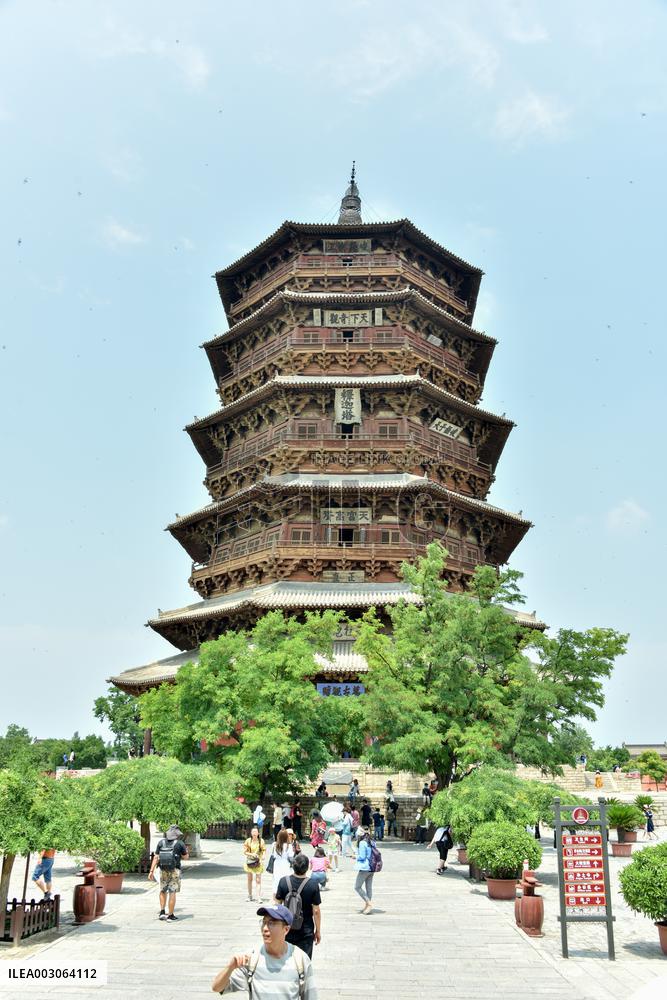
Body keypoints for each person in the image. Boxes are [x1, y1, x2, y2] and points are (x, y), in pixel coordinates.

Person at [211, 903, 318, 999]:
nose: (265, 928)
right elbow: (217, 987)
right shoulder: (251, 958)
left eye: (272, 923)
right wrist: (230, 967)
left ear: (286, 929)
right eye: (263, 922)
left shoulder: (300, 959)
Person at [274, 853, 322, 960]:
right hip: (306, 931)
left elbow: (277, 906)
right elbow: (316, 911)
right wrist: (318, 931)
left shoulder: (283, 882)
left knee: (285, 961)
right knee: (303, 962)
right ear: (307, 867)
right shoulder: (313, 885)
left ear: (293, 866)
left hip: (286, 930)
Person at [148, 824, 189, 920]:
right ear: (176, 834)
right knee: (172, 892)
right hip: (175, 870)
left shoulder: (161, 842)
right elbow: (186, 857)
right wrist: (186, 851)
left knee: (162, 890)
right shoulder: (180, 843)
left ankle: (162, 912)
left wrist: (151, 871)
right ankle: (170, 915)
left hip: (163, 870)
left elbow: (156, 857)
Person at [243, 825, 267, 903]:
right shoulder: (248, 841)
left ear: (258, 833)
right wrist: (252, 854)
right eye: (253, 832)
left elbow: (264, 850)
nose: (254, 833)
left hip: (258, 862)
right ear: (251, 833)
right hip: (250, 862)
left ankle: (259, 897)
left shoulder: (261, 841)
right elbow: (245, 852)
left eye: (256, 832)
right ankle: (250, 896)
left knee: (258, 880)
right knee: (249, 879)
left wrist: (263, 856)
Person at [354, 829, 375, 915]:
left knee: (357, 887)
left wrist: (355, 856)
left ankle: (369, 903)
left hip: (365, 867)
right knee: (368, 887)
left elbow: (362, 856)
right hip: (372, 866)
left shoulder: (362, 843)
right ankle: (367, 906)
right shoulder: (372, 841)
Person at [271, 829, 294, 895]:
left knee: (276, 880)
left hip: (277, 863)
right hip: (285, 863)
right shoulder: (288, 846)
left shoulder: (274, 845)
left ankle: (275, 894)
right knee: (286, 879)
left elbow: (273, 855)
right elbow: (291, 856)